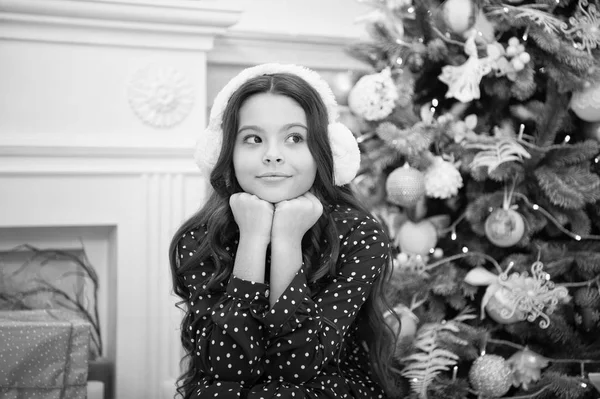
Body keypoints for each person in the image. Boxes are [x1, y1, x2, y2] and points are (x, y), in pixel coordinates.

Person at [169, 63, 399, 399]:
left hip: (325, 385)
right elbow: (226, 366)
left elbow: (296, 368)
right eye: (253, 139)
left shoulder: (359, 235)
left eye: (294, 138)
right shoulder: (200, 238)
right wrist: (252, 239)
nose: (272, 155)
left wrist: (288, 241)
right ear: (225, 152)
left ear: (326, 150)